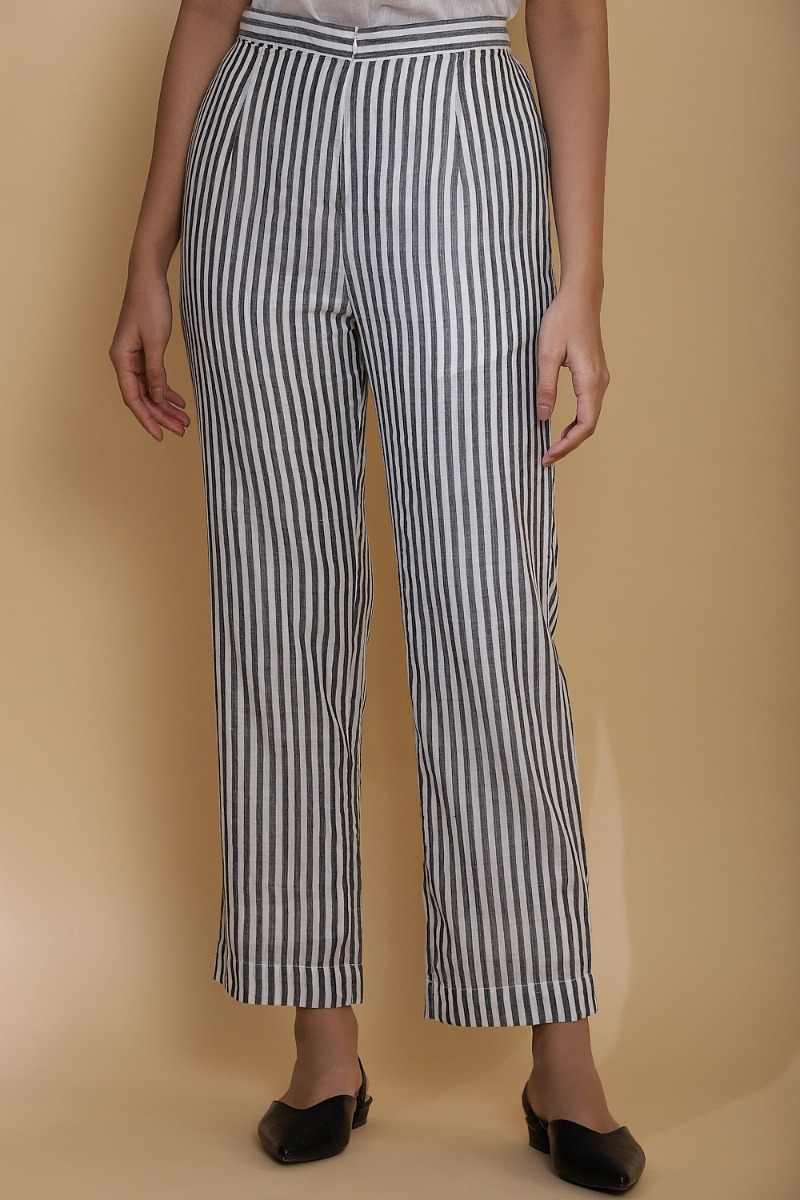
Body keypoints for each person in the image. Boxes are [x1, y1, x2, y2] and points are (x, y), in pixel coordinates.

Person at [110, 0, 645, 1190]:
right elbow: (209, 7)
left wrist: (581, 278)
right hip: (262, 131)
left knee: (486, 612)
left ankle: (559, 1056)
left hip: (454, 125)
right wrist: (148, 250)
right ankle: (322, 1047)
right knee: (276, 606)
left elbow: (566, 19)